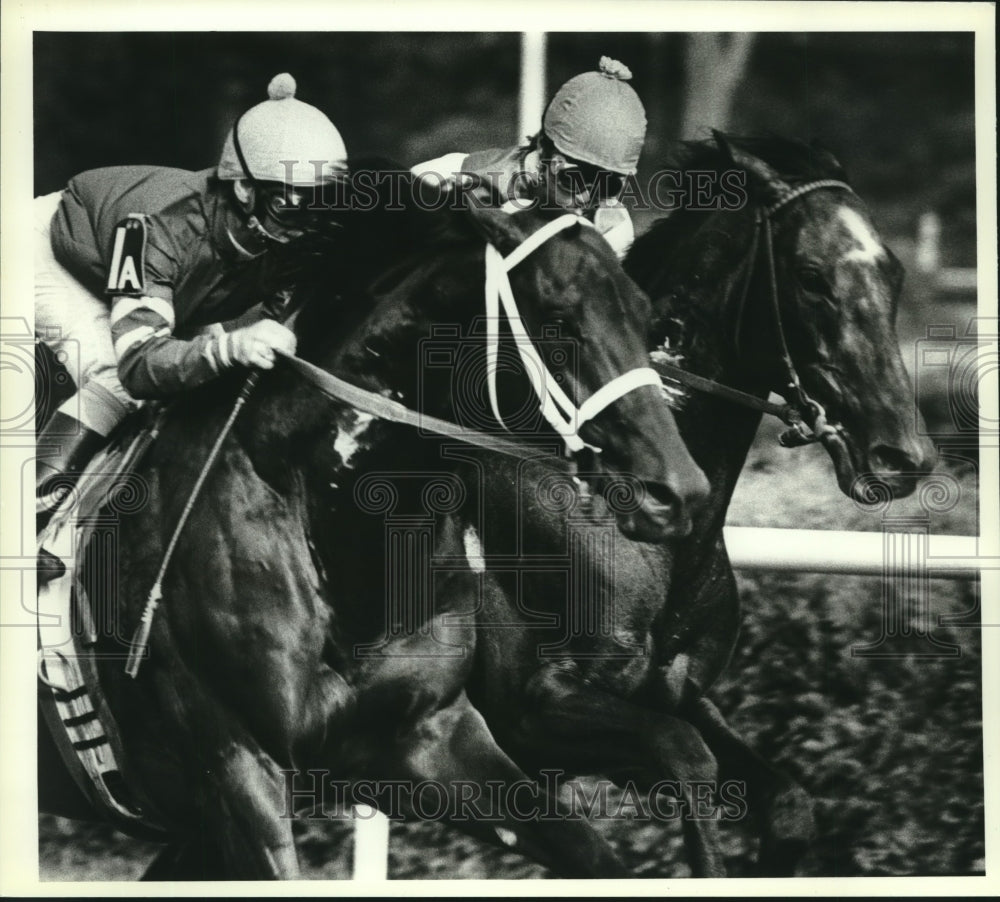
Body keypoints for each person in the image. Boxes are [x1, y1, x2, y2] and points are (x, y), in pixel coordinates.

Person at [34, 73, 348, 511]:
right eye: (293, 206)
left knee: (206, 380)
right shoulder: (156, 224)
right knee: (120, 379)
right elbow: (139, 365)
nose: (307, 227)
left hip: (180, 277)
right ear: (243, 188)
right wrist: (232, 344)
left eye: (324, 203)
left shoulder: (291, 231)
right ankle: (30, 517)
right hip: (56, 255)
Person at [412, 56, 647, 258]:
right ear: (543, 149)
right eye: (574, 179)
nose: (586, 198)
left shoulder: (613, 231)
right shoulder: (438, 181)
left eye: (608, 186)